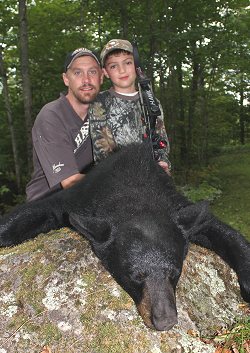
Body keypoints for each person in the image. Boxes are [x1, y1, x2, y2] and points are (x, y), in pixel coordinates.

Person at [26, 48, 103, 201]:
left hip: (89, 201)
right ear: (66, 79)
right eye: (78, 73)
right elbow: (70, 181)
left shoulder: (104, 112)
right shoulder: (51, 115)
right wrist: (119, 182)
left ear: (101, 77)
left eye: (92, 72)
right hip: (48, 205)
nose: (86, 80)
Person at [89, 39, 171, 173]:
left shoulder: (151, 101)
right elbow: (102, 152)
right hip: (116, 179)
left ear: (136, 66)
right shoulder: (99, 103)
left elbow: (161, 142)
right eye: (114, 66)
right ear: (105, 72)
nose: (122, 70)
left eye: (127, 63)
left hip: (151, 177)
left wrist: (163, 163)